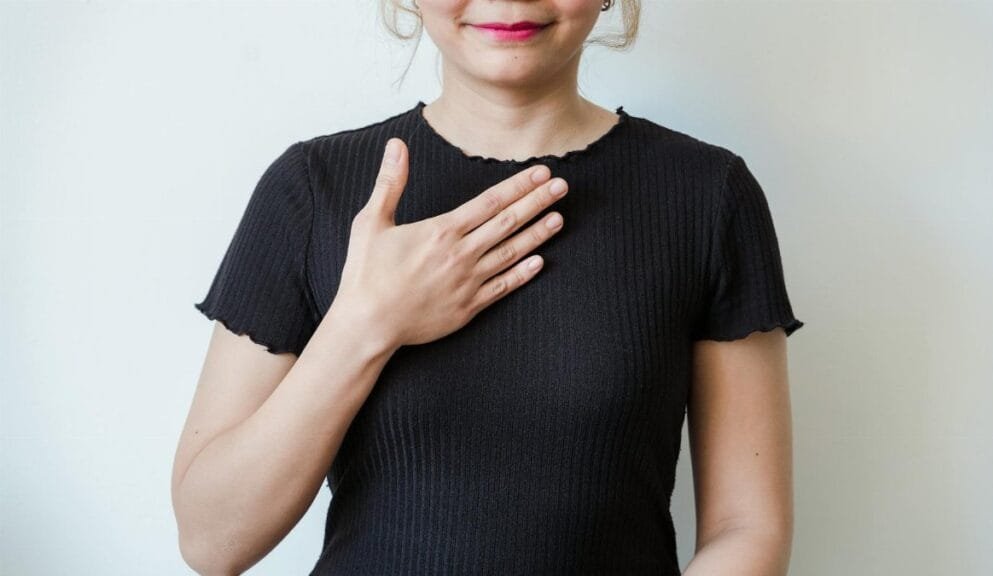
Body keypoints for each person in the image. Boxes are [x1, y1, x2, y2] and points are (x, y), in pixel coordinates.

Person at [172, 0, 805, 574]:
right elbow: (212, 541)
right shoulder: (312, 190)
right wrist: (366, 323)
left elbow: (745, 528)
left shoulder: (708, 196)